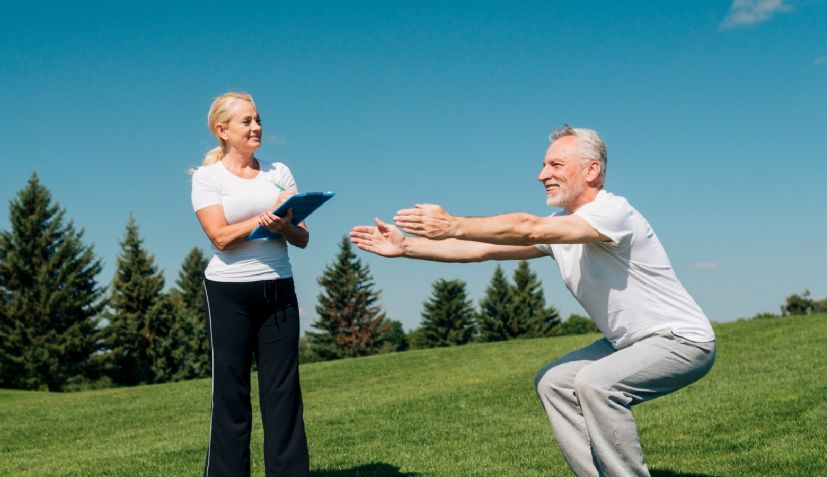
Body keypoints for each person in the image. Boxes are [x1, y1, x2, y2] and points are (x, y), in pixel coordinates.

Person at [349, 125, 715, 477]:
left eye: (555, 165)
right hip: (624, 344)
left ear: (592, 170)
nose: (542, 174)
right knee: (554, 382)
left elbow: (530, 227)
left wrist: (453, 223)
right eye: (544, 165)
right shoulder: (560, 227)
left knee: (594, 384)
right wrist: (407, 246)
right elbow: (482, 250)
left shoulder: (613, 213)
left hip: (680, 340)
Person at [191, 92, 309, 477]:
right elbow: (220, 237)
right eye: (247, 121)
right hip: (228, 294)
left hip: (279, 290)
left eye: (258, 119)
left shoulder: (279, 172)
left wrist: (285, 225)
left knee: (283, 395)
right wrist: (266, 219)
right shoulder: (208, 178)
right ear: (222, 130)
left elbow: (303, 237)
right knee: (231, 396)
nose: (257, 127)